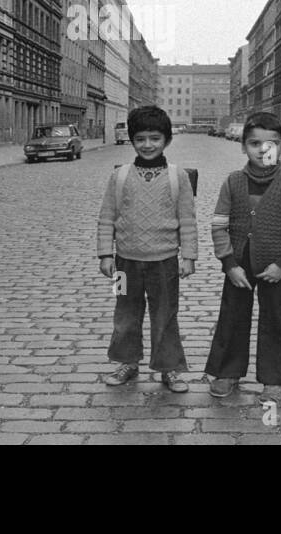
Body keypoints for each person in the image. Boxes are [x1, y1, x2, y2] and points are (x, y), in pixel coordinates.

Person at [205, 111, 281, 403]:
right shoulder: (233, 182)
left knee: (277, 320)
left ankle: (276, 377)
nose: (263, 150)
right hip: (238, 266)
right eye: (255, 143)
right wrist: (228, 263)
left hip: (275, 266)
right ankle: (227, 371)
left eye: (272, 143)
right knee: (232, 317)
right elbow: (219, 225)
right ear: (243, 146)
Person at [96, 105, 197, 392]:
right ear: (132, 141)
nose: (147, 145)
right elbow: (107, 217)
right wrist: (105, 254)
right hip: (124, 263)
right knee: (125, 314)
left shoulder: (178, 177)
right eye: (140, 139)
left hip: (164, 262)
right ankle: (127, 361)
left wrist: (188, 256)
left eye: (155, 138)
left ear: (167, 140)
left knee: (165, 315)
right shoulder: (120, 176)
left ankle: (169, 368)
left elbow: (188, 220)